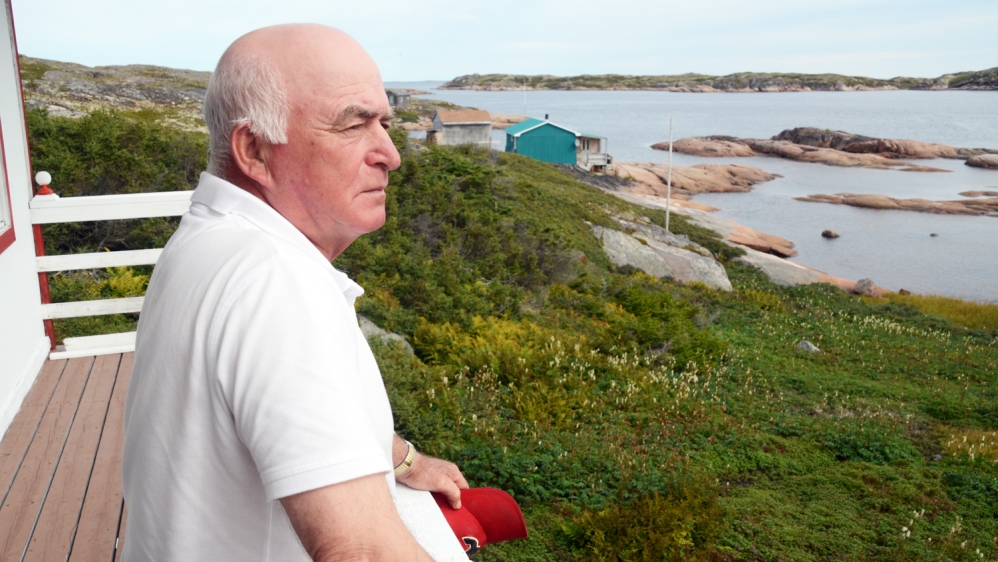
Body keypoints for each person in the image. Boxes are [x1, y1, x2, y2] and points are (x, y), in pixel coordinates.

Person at [121, 24, 468, 561]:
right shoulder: (275, 282)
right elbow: (364, 551)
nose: (391, 154)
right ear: (255, 150)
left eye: (385, 122)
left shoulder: (209, 241)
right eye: (354, 125)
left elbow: (277, 405)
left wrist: (397, 458)